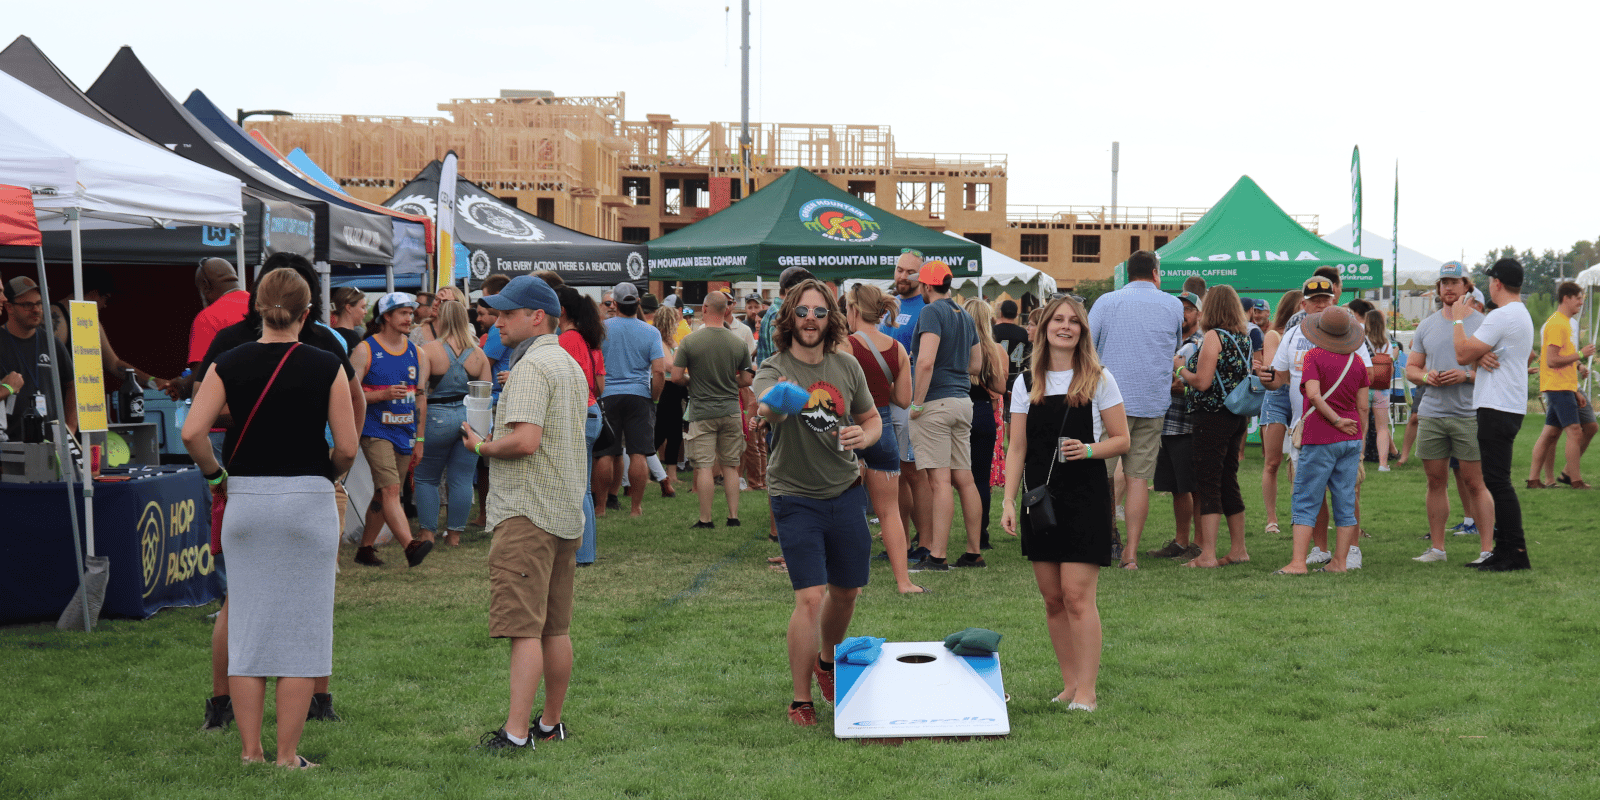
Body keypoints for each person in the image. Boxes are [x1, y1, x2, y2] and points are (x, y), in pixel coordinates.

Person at [181, 267, 357, 768]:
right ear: (307, 313)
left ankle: (250, 752)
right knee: (304, 627)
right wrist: (330, 473)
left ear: (256, 307)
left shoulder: (228, 360)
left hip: (246, 498)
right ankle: (287, 755)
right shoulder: (327, 364)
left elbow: (194, 432)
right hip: (307, 495)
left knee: (249, 627)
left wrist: (217, 477)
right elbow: (345, 446)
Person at [459, 276, 587, 752]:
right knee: (555, 627)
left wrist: (481, 445)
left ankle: (515, 735)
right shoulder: (567, 362)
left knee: (523, 628)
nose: (497, 320)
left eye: (507, 313)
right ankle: (549, 724)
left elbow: (526, 440)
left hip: (528, 511)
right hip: (562, 509)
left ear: (537, 317)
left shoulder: (533, 367)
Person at [750, 278, 882, 727]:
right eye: (803, 311)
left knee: (847, 593)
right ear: (790, 317)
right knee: (810, 597)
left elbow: (872, 419)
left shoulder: (846, 366)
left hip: (845, 491)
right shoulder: (774, 366)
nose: (811, 319)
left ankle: (827, 662)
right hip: (794, 496)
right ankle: (801, 699)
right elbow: (766, 407)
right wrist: (776, 402)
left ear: (831, 319)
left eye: (819, 312)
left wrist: (863, 435)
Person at [1000, 295, 1129, 711]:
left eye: (1074, 321)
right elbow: (1016, 447)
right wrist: (1007, 500)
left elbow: (1123, 439)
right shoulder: (1024, 383)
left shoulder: (1099, 378)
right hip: (1039, 500)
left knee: (1077, 596)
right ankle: (1070, 684)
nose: (1066, 327)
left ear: (1083, 331)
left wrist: (1089, 450)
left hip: (1085, 495)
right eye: (1058, 319)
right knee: (1053, 598)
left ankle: (1088, 691)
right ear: (1043, 327)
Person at [1263, 276, 1374, 568]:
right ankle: (1326, 550)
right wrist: (1267, 378)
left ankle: (1349, 551)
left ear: (1334, 300)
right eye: (1315, 301)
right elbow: (1281, 378)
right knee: (1336, 493)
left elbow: (1315, 393)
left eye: (1326, 299)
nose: (1321, 304)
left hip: (1321, 429)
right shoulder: (1293, 334)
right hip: (1320, 428)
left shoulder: (1333, 344)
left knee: (1317, 494)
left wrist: (1337, 418)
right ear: (1304, 304)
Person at [1087, 250, 1183, 565]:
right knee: (1137, 478)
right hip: (1152, 401)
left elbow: (1087, 347)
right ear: (1156, 273)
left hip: (1109, 399)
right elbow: (1173, 348)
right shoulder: (1173, 305)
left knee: (1100, 475)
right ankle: (1130, 554)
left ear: (1128, 273)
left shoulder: (1106, 302)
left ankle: (1102, 540)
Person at [1407, 262, 1493, 564]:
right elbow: (1411, 369)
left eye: (1454, 282)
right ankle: (1438, 549)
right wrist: (1426, 376)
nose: (1448, 288)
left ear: (1467, 285)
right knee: (1435, 482)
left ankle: (1487, 550)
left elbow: (1495, 369)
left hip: (1469, 413)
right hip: (1432, 412)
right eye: (1443, 282)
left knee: (1474, 481)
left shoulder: (1483, 323)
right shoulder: (1427, 325)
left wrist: (1465, 376)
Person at [1453, 259, 1536, 571]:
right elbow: (1478, 356)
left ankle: (1514, 552)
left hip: (1497, 404)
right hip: (1507, 403)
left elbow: (1462, 353)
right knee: (1496, 479)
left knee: (1498, 482)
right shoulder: (1519, 314)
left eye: (1490, 281)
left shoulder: (1502, 315)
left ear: (1497, 283)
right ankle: (1505, 551)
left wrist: (1458, 321)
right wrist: (1480, 354)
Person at [845, 283, 925, 594]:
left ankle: (853, 583)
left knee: (848, 509)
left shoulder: (844, 346)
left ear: (853, 310)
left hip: (851, 428)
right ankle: (904, 582)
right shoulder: (897, 349)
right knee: (889, 511)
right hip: (885, 427)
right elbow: (905, 399)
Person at [906, 261, 984, 572]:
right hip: (962, 402)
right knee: (964, 479)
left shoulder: (930, 312)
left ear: (926, 286)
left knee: (938, 482)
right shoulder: (964, 314)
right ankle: (973, 552)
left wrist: (916, 403)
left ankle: (937, 556)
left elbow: (924, 362)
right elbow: (976, 364)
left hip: (936, 404)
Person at [351, 292, 433, 567]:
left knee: (386, 493)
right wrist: (382, 395)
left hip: (405, 431)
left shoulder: (416, 352)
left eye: (411, 313)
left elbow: (420, 397)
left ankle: (365, 549)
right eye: (403, 313)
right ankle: (411, 546)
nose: (410, 318)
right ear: (386, 316)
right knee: (390, 490)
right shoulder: (366, 349)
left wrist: (420, 438)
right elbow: (349, 395)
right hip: (375, 430)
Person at [1174, 285, 1254, 568]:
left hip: (1211, 416)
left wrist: (1180, 369)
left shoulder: (1213, 336)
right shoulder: (1243, 337)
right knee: (1228, 479)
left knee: (1208, 481)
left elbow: (1203, 381)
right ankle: (1238, 549)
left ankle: (1207, 554)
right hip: (1236, 416)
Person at [415, 300, 493, 548]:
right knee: (461, 478)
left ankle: (428, 533)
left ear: (443, 320)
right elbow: (486, 397)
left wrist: (417, 432)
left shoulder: (428, 349)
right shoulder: (479, 354)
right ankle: (455, 536)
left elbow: (420, 393)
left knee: (427, 478)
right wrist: (485, 432)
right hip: (469, 419)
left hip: (436, 416)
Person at [672, 292, 753, 527]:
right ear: (726, 310)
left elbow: (676, 376)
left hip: (701, 410)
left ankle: (706, 519)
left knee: (704, 466)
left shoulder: (690, 341)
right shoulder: (738, 342)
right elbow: (747, 379)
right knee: (731, 464)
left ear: (705, 308)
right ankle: (733, 516)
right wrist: (729, 382)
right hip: (730, 409)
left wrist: (692, 382)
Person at [595, 281, 668, 517]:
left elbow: (593, 365)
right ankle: (636, 508)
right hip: (639, 395)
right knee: (638, 452)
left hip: (608, 395)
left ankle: (601, 506)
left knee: (605, 452)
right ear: (637, 302)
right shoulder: (650, 331)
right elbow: (659, 371)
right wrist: (653, 398)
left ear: (614, 304)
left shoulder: (602, 329)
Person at [878, 252, 932, 560]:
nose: (902, 276)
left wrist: (917, 403)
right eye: (899, 269)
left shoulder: (925, 309)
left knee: (915, 473)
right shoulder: (889, 307)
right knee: (894, 472)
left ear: (920, 276)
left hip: (911, 404)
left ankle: (925, 544)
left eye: (910, 272)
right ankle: (900, 543)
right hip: (888, 402)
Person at [1146, 291, 1203, 561]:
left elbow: (1191, 385)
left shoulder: (1200, 343)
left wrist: (1166, 384)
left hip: (1189, 425)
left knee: (1194, 487)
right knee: (1177, 488)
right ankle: (1181, 542)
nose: (1182, 314)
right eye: (1178, 308)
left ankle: (1200, 543)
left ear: (1199, 314)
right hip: (1165, 423)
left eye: (1189, 308)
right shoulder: (1166, 341)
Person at [1527, 281, 1595, 489]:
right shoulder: (1557, 324)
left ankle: (1533, 480)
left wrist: (1574, 388)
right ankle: (1575, 480)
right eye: (1578, 299)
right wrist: (1582, 354)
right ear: (1566, 298)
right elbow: (1552, 360)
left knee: (1550, 433)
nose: (1581, 303)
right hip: (1557, 386)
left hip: (1562, 386)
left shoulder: (1563, 322)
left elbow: (1561, 359)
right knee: (1575, 432)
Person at [556, 287, 605, 566]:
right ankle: (585, 552)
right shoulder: (580, 337)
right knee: (582, 488)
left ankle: (584, 554)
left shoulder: (567, 339)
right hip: (589, 411)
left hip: (580, 413)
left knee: (579, 489)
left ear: (561, 310)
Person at [2, 276, 77, 441]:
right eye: (27, 305)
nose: (36, 310)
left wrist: (70, 427)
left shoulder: (51, 342)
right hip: (10, 445)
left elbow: (73, 385)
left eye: (39, 303)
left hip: (51, 446)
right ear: (9, 307)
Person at [962, 296, 1009, 556]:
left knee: (943, 479)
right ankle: (981, 535)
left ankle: (929, 535)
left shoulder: (957, 346)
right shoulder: (994, 350)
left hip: (958, 410)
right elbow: (1001, 389)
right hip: (982, 415)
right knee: (980, 480)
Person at [1257, 290, 1301, 535]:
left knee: (1300, 461)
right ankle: (1271, 518)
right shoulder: (1274, 334)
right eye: (1301, 307)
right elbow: (1275, 370)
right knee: (1272, 462)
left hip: (1299, 394)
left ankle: (1300, 515)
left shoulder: (1312, 335)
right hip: (1276, 396)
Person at [652, 305, 687, 498]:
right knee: (659, 432)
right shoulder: (657, 338)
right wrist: (683, 361)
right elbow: (669, 364)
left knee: (675, 433)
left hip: (675, 388)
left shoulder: (670, 340)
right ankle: (653, 471)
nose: (678, 323)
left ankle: (671, 474)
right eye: (675, 320)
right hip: (665, 388)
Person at [1363, 309, 1399, 472]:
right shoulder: (1388, 344)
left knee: (1362, 427)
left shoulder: (1362, 341)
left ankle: (1358, 462)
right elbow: (1390, 368)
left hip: (1364, 388)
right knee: (1382, 428)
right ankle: (1383, 464)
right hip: (1382, 389)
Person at [992, 299, 1030, 397]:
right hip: (1017, 379)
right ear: (1017, 314)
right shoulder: (1023, 333)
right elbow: (1028, 357)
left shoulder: (993, 331)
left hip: (996, 379)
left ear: (1001, 313)